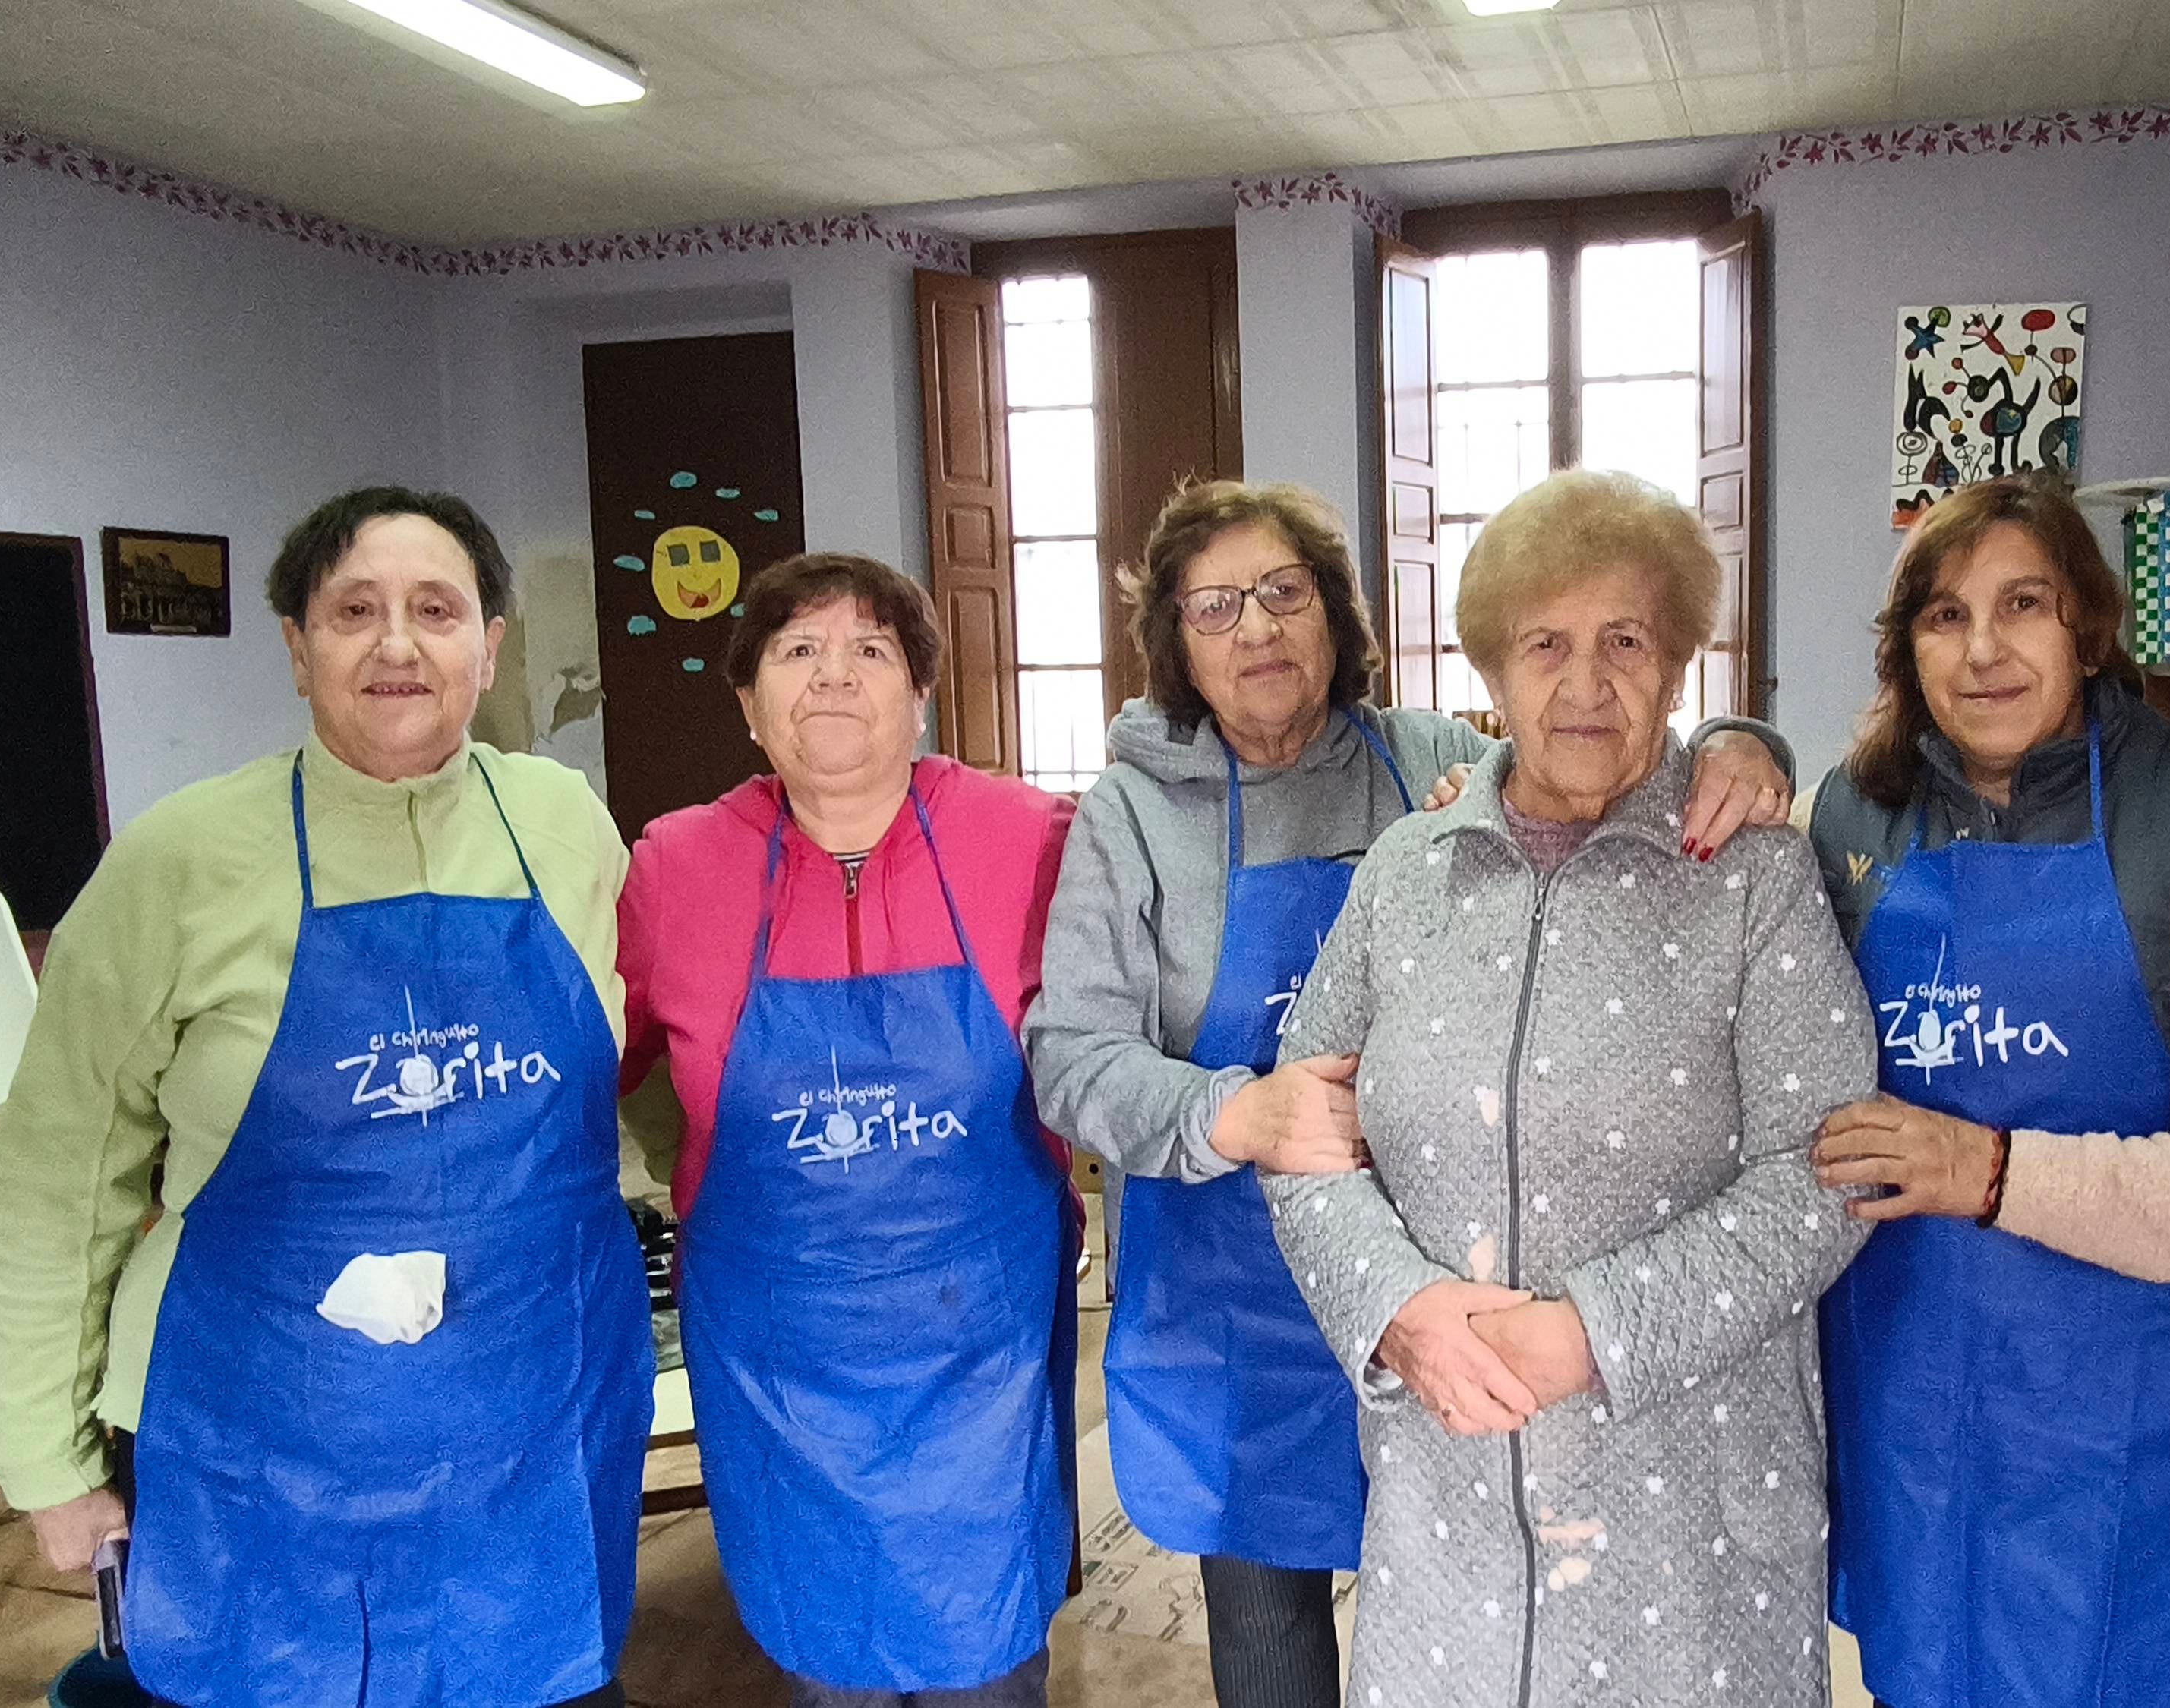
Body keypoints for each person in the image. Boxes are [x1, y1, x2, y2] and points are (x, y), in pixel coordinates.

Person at [1025, 477, 1795, 1708]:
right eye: (1216, 606)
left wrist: (1747, 749)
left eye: (1286, 593)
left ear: (1335, 615)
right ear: (1175, 639)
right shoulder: (1129, 813)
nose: (1259, 629)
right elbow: (1069, 1055)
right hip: (1244, 1298)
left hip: (1457, 1286)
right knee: (1270, 1625)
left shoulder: (1430, 757)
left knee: (1446, 1617)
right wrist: (1236, 1111)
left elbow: (1593, 737)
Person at [0, 487, 651, 1708]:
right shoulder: (177, 862)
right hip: (260, 1441)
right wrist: (45, 1457)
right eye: (354, 610)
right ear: (297, 646)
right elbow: (53, 1177)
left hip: (532, 1420)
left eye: (436, 609)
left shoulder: (563, 827)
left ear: (489, 643)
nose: (398, 645)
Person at [1263, 469, 1875, 1708]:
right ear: (1492, 670)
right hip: (1450, 1494)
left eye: (1627, 641)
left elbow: (1827, 1171)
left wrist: (1593, 1332)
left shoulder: (1753, 879)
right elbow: (1300, 1127)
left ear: (1680, 663)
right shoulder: (1405, 873)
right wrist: (1396, 1308)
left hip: (1692, 1519)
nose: (1586, 683)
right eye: (1546, 643)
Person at [1803, 475, 2170, 1708]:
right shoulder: (1857, 812)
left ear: (2089, 627)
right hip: (1919, 1440)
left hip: (2142, 1459)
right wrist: (1733, 757)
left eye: (2025, 604)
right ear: (1907, 648)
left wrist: (1992, 1171)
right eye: (1945, 616)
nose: (1985, 648)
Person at [617, 552, 1077, 1708]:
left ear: (921, 694)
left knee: (989, 1668)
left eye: (870, 650)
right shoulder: (674, 866)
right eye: (797, 652)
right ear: (748, 702)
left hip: (984, 1356)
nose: (833, 678)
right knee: (829, 1674)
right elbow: (577, 1074)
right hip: (784, 1366)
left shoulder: (1032, 837)